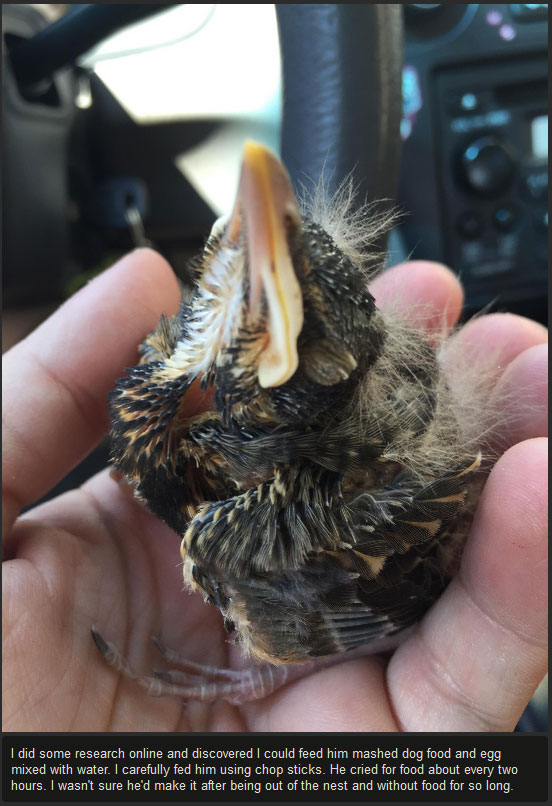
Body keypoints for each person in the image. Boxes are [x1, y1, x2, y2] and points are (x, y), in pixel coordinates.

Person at [2, 248, 547, 732]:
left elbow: (389, 596)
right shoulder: (170, 383)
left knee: (257, 591)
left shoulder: (262, 531)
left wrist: (262, 674)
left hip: (382, 546)